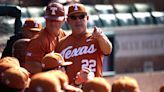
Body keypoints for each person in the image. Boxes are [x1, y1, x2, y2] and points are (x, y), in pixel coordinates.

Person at [55, 3, 112, 84]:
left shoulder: (96, 38)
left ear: (87, 18)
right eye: (73, 17)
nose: (78, 20)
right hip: (72, 88)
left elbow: (108, 51)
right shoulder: (61, 43)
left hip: (93, 87)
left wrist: (101, 37)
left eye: (81, 17)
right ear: (68, 20)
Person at [25, 1, 67, 74]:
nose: (53, 23)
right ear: (45, 19)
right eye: (50, 20)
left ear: (63, 20)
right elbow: (30, 66)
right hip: (42, 80)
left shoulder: (63, 34)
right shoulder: (38, 40)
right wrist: (52, 71)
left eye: (56, 20)